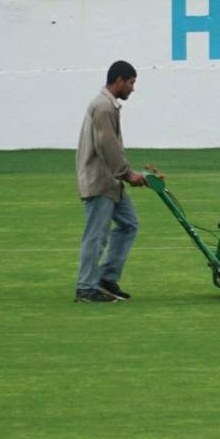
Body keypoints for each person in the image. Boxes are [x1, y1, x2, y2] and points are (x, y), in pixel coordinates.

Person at [74, 61, 146, 303]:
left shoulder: (108, 105)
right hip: (100, 181)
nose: (133, 89)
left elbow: (112, 147)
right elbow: (107, 146)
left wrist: (127, 174)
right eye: (131, 83)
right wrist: (128, 174)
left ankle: (106, 277)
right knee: (96, 235)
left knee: (129, 224)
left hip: (112, 181)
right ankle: (86, 287)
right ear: (119, 81)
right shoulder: (103, 107)